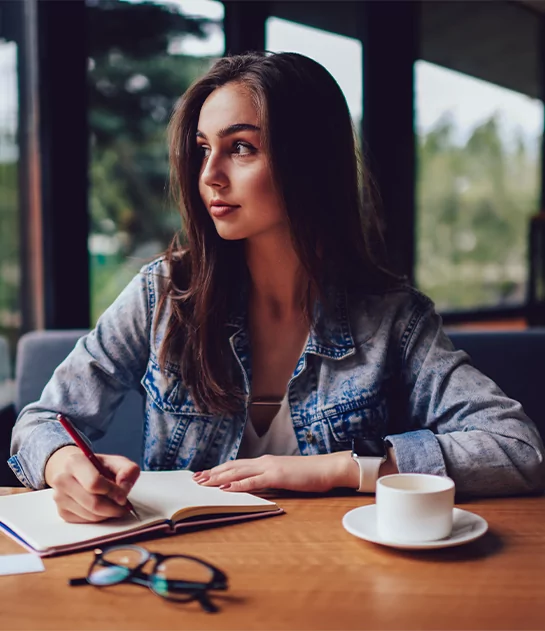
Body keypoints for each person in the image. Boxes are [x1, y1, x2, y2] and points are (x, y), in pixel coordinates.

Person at [9, 52, 544, 523]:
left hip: (334, 574)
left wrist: (341, 469)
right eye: (202, 149)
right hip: (188, 573)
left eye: (240, 148)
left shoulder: (392, 318)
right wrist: (64, 466)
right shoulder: (164, 295)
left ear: (307, 163)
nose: (210, 175)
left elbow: (516, 448)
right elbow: (40, 424)